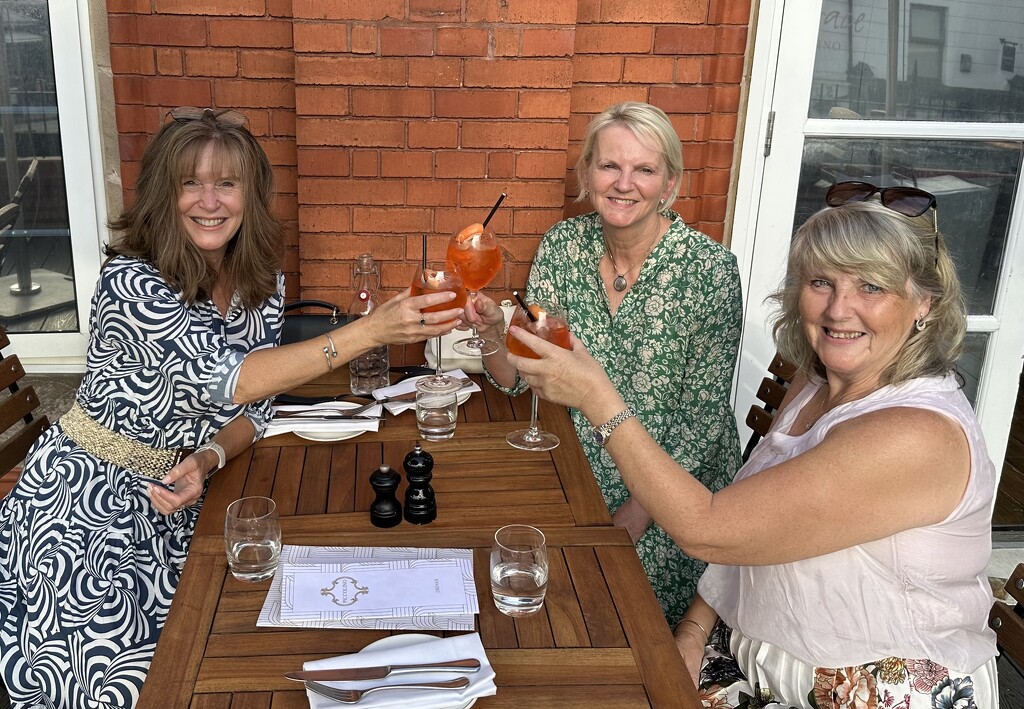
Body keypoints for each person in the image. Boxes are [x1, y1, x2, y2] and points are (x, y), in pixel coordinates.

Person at [0, 107, 462, 709]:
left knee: (267, 631)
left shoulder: (261, 278)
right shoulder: (131, 280)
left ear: (251, 194)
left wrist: (212, 453)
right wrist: (369, 332)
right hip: (90, 511)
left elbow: (258, 407)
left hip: (186, 497)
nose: (208, 201)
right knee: (147, 687)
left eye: (226, 183)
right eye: (190, 182)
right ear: (164, 195)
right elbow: (233, 380)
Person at [504, 185, 999, 707]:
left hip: (870, 692)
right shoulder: (815, 385)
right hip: (747, 663)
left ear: (925, 303)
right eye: (820, 282)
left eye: (871, 287)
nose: (838, 309)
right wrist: (694, 631)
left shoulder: (915, 435)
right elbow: (750, 530)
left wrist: (596, 396)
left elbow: (709, 530)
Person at [467, 101, 742, 627]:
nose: (624, 183)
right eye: (610, 166)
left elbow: (702, 425)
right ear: (587, 173)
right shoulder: (562, 247)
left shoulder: (710, 271)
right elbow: (522, 382)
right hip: (572, 470)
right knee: (497, 563)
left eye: (645, 169)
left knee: (595, 607)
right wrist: (492, 339)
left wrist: (631, 519)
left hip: (673, 492)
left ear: (669, 184)